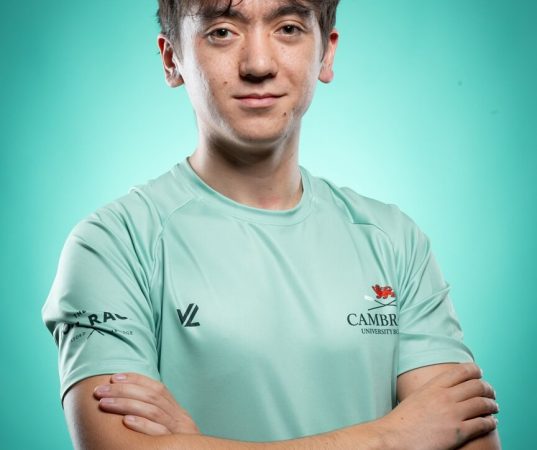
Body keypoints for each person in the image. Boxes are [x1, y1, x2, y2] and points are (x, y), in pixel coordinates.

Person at [42, 0, 501, 448]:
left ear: (326, 53)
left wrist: (196, 444)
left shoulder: (395, 240)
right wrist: (394, 436)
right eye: (222, 31)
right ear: (172, 59)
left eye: (288, 28)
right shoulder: (112, 246)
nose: (258, 64)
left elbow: (465, 437)